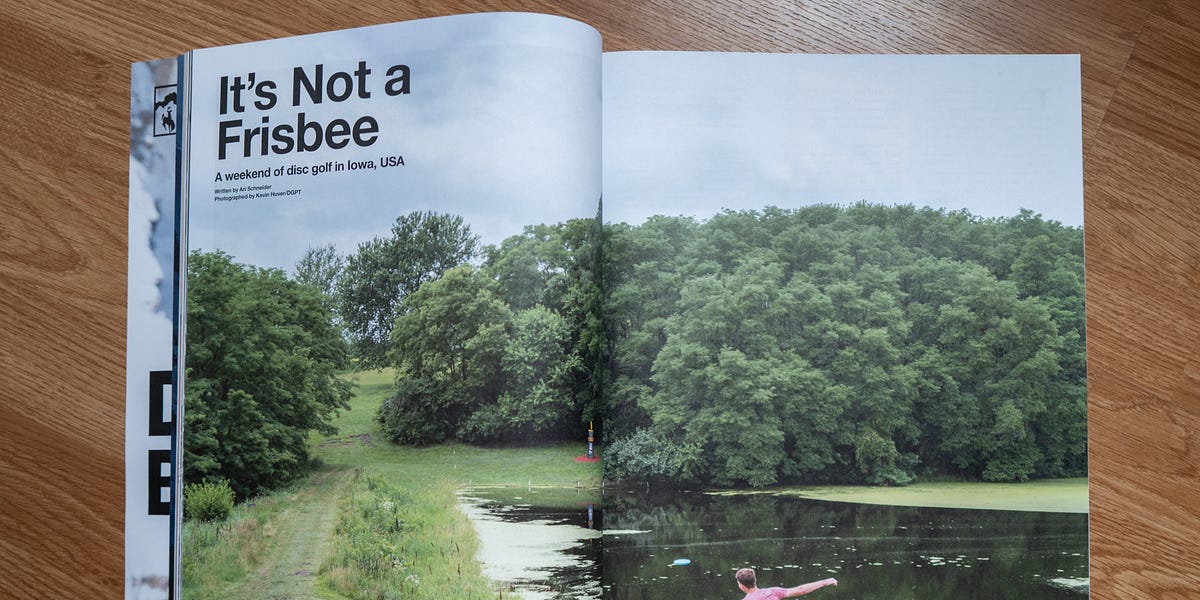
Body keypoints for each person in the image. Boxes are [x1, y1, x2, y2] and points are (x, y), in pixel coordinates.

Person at [735, 567, 838, 599]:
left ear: (742, 586)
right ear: (755, 579)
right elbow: (800, 590)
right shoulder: (773, 592)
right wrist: (825, 582)